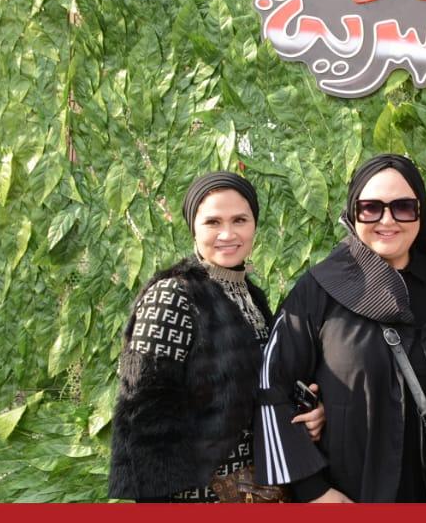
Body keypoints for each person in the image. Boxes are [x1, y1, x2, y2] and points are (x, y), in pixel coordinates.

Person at [257, 154, 426, 503]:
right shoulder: (319, 290)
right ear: (353, 212)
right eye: (371, 208)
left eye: (403, 207)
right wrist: (315, 491)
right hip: (352, 498)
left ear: (420, 212)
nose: (387, 220)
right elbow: (272, 385)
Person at [108, 171, 324, 502]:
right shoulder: (173, 295)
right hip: (198, 498)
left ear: (254, 225)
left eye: (240, 220)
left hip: (259, 490)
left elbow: (259, 389)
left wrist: (308, 413)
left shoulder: (250, 295)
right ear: (193, 228)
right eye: (212, 222)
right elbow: (144, 418)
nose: (227, 233)